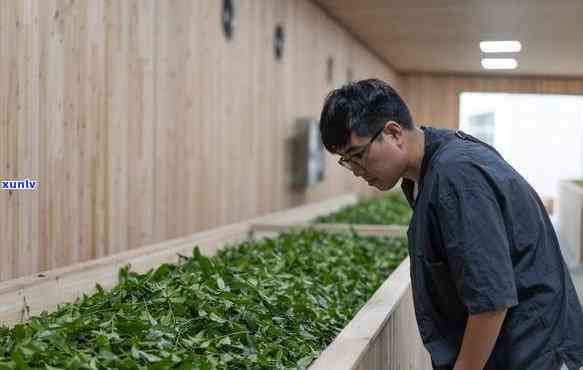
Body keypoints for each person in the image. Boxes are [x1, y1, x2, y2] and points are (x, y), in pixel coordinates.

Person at [318, 78, 583, 370]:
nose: (356, 170)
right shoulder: (426, 167)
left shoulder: (456, 176)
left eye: (357, 155)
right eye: (346, 161)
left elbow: (491, 299)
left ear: (393, 133)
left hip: (530, 351)